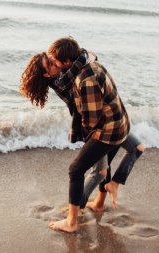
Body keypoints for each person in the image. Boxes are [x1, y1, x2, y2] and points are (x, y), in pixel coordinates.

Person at [21, 37, 143, 232]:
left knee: (79, 170)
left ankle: (72, 220)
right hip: (118, 122)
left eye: (54, 60)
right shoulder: (80, 68)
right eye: (50, 63)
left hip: (108, 128)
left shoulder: (82, 78)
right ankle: (99, 203)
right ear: (46, 74)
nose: (53, 62)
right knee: (107, 165)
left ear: (67, 62)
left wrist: (91, 143)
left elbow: (92, 120)